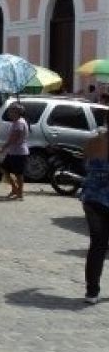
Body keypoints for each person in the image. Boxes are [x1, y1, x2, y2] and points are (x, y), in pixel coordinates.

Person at [80, 124, 109, 304]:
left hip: (92, 197)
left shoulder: (92, 141)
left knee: (97, 245)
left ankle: (92, 292)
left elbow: (85, 164)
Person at [1, 103, 29, 200]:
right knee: (4, 169)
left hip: (19, 152)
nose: (9, 113)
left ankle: (20, 192)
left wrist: (4, 147)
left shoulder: (19, 123)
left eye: (11, 111)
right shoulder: (16, 122)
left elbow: (14, 138)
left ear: (17, 112)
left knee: (18, 173)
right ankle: (14, 188)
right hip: (13, 152)